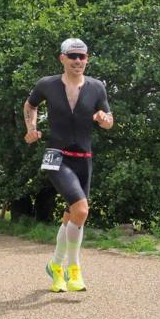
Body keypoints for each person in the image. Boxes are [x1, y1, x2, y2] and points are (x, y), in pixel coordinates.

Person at [24, 38, 113, 292]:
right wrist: (31, 128)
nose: (77, 61)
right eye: (72, 56)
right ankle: (74, 269)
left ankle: (55, 265)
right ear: (62, 58)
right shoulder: (47, 84)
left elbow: (109, 120)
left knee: (73, 214)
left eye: (82, 57)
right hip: (55, 156)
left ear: (87, 59)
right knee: (81, 211)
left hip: (84, 159)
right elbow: (30, 105)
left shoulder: (96, 87)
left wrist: (103, 119)